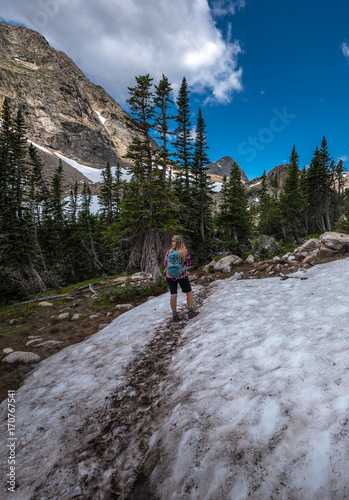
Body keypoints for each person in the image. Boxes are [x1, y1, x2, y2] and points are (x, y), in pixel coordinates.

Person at [164, 235, 198, 321]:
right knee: (189, 293)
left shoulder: (169, 252)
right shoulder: (185, 252)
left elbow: (165, 264)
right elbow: (189, 264)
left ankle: (175, 315)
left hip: (170, 276)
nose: (171, 242)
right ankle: (190, 312)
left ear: (176, 242)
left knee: (173, 294)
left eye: (173, 241)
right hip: (182, 276)